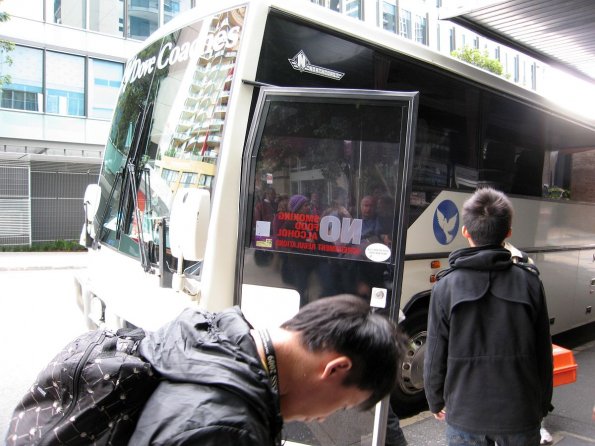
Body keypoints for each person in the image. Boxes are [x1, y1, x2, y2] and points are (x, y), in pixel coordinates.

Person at [130, 294, 404, 445]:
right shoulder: (227, 430)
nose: (323, 418)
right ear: (336, 369)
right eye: (343, 405)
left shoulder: (215, 343)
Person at [424, 187, 553, 446]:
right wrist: (542, 404)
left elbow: (435, 353)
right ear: (507, 234)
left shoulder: (444, 287)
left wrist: (435, 399)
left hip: (465, 413)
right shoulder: (529, 283)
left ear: (465, 232)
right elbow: (543, 354)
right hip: (520, 412)